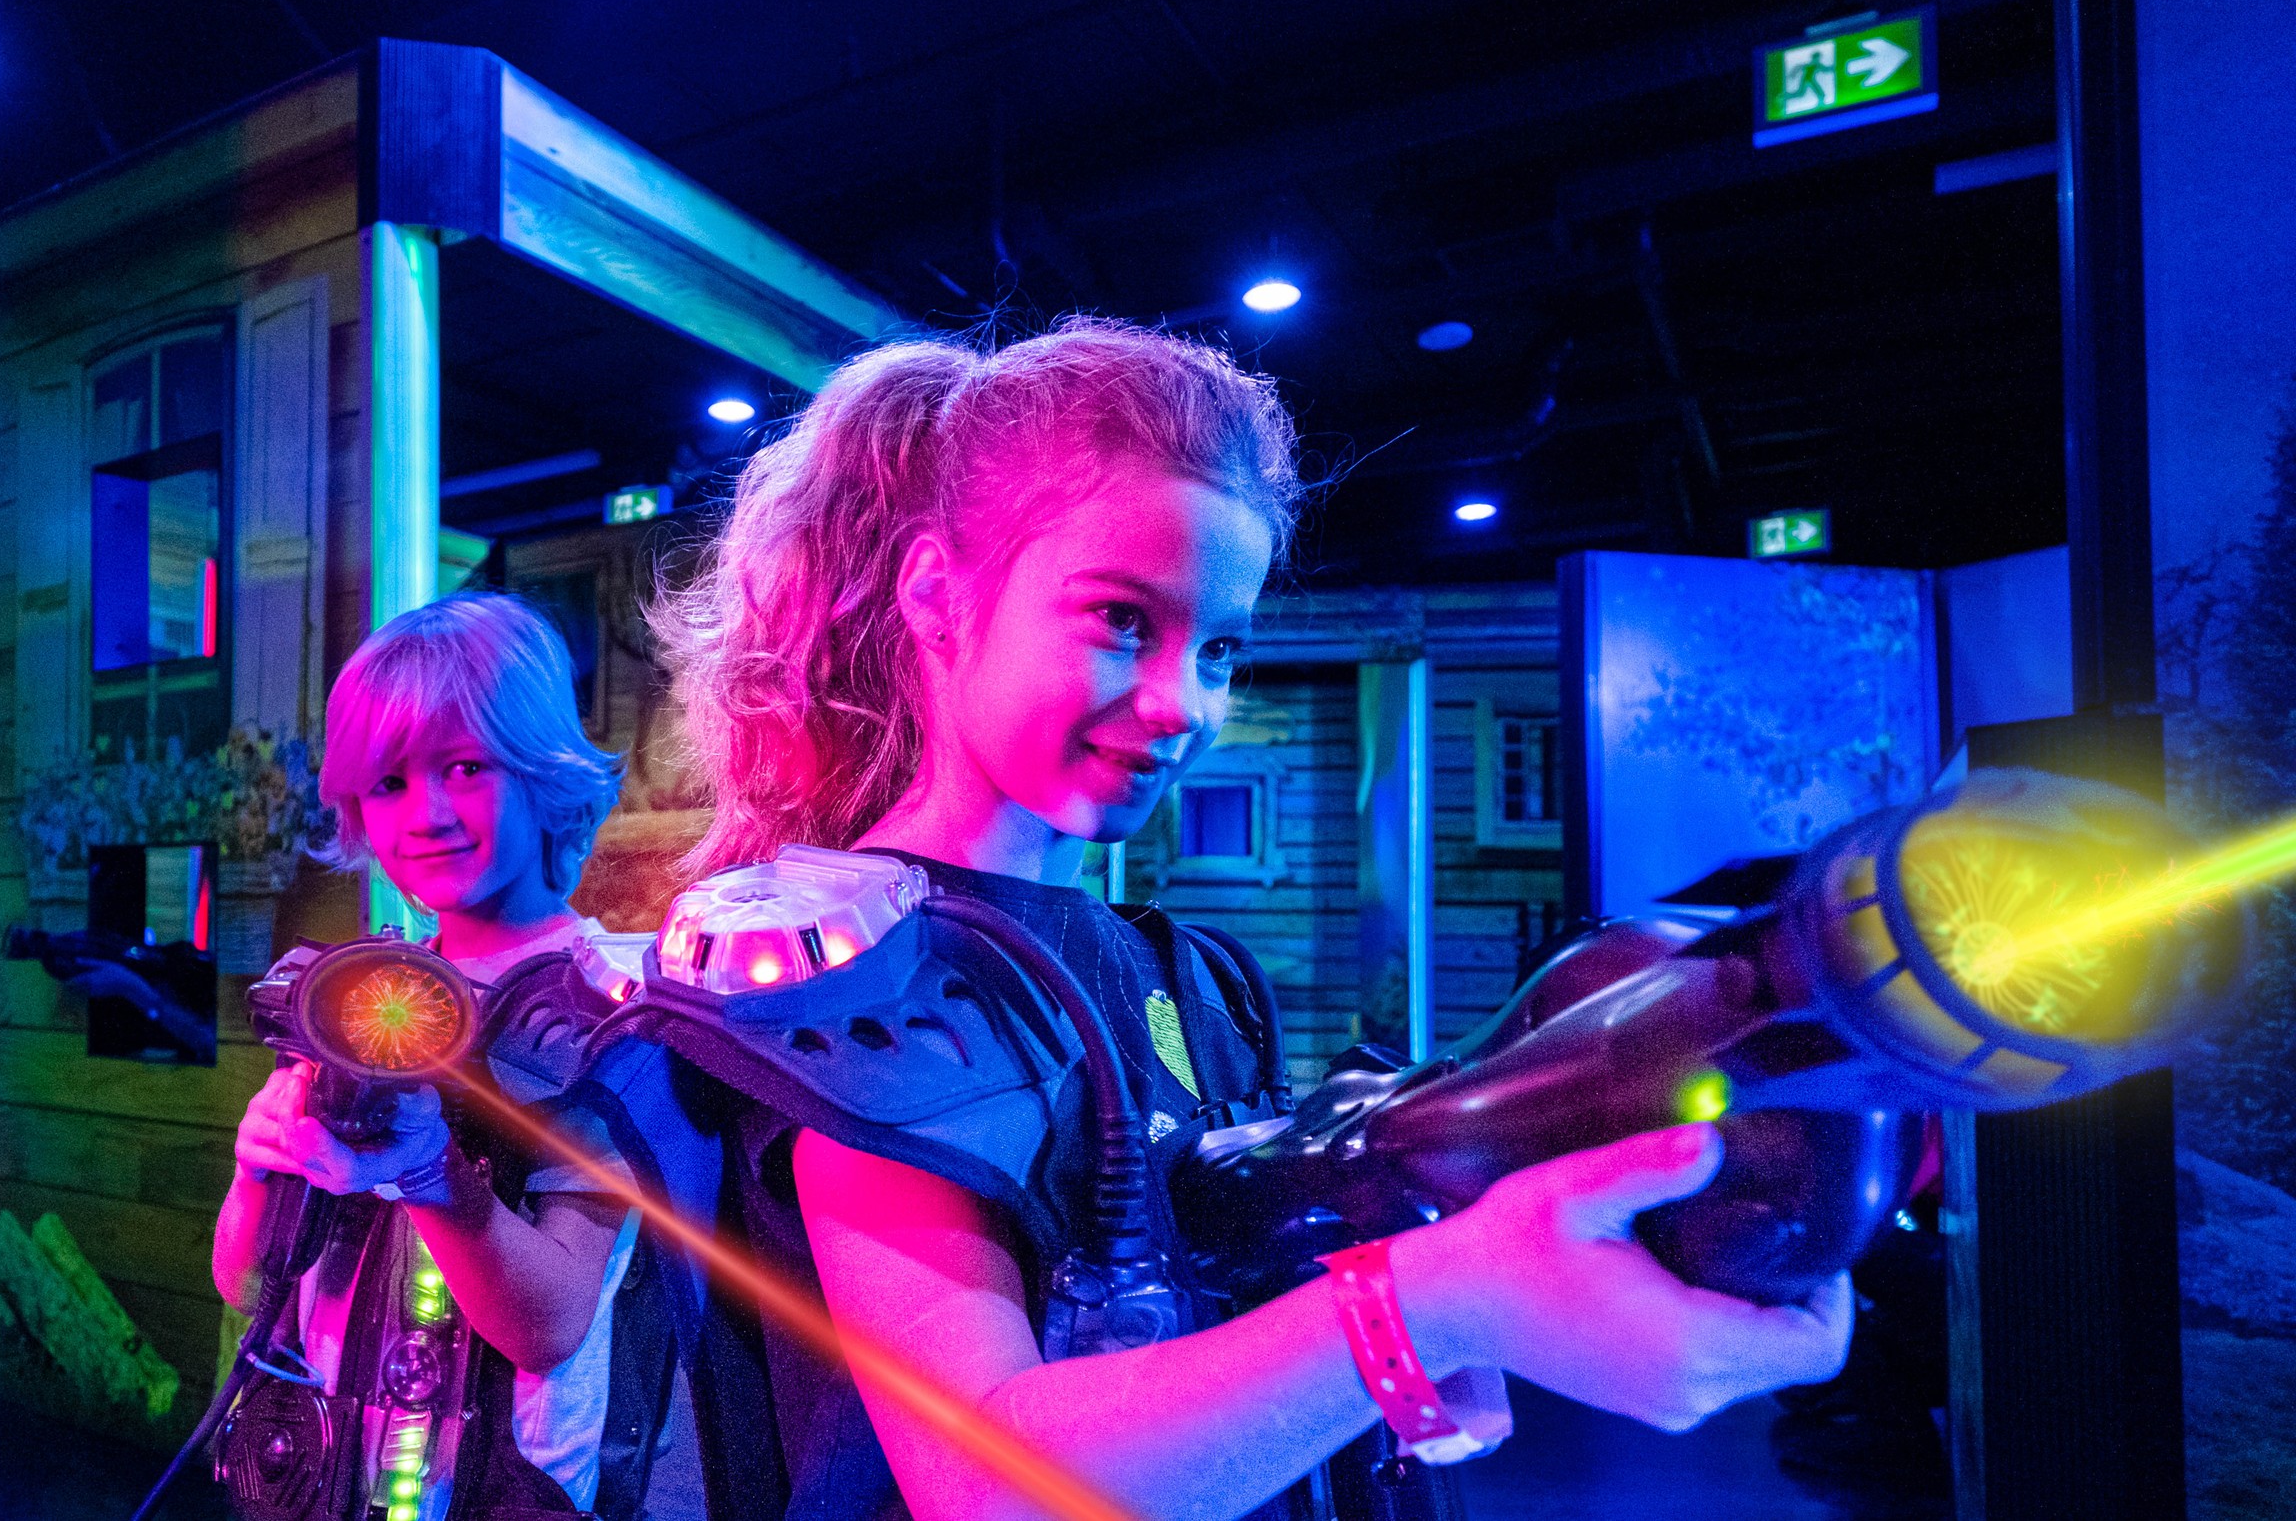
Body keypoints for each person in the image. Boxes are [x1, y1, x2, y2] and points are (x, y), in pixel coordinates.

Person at [574, 319, 1856, 1520]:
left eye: (1222, 649)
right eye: (1122, 621)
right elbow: (988, 1476)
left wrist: (1411, 1347)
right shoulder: (851, 965)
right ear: (938, 596)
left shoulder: (1185, 975)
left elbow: (1229, 1323)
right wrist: (1433, 1308)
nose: (1187, 702)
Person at [210, 592, 685, 1521]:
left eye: (463, 767)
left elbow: (549, 1328)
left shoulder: (609, 1009)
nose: (423, 813)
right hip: (328, 1474)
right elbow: (245, 1280)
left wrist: (432, 1175)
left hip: (510, 1486)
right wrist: (259, 1168)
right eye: (387, 783)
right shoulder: (363, 991)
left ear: (542, 775)